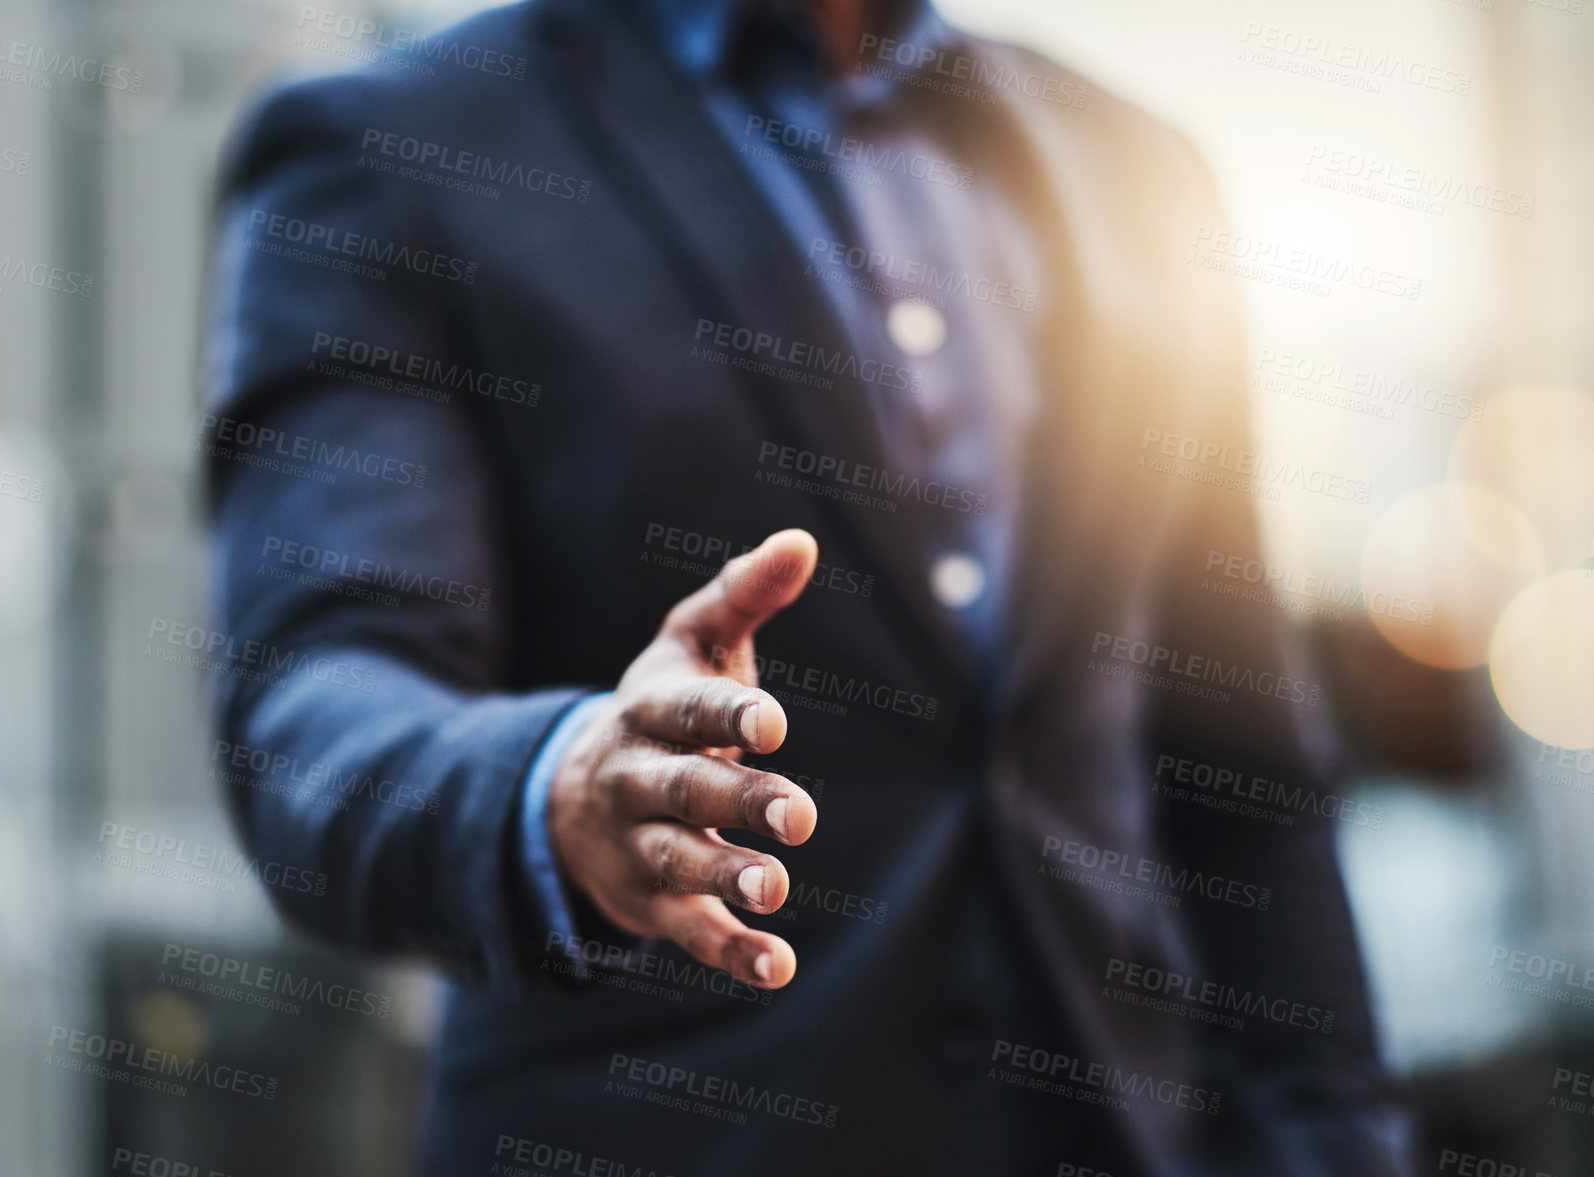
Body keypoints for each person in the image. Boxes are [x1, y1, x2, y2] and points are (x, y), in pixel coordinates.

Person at [206, 0, 1412, 1171]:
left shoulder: (1140, 170)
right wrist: (556, 783)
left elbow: (1247, 774)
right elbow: (313, 703)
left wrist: (1332, 1148)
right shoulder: (389, 152)